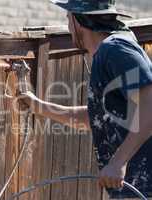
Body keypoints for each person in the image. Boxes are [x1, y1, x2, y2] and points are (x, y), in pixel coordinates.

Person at [18, 0, 152, 198]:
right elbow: (96, 118)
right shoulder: (109, 52)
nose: (68, 26)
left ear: (77, 20)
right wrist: (38, 106)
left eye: (67, 18)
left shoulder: (115, 49)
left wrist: (118, 162)